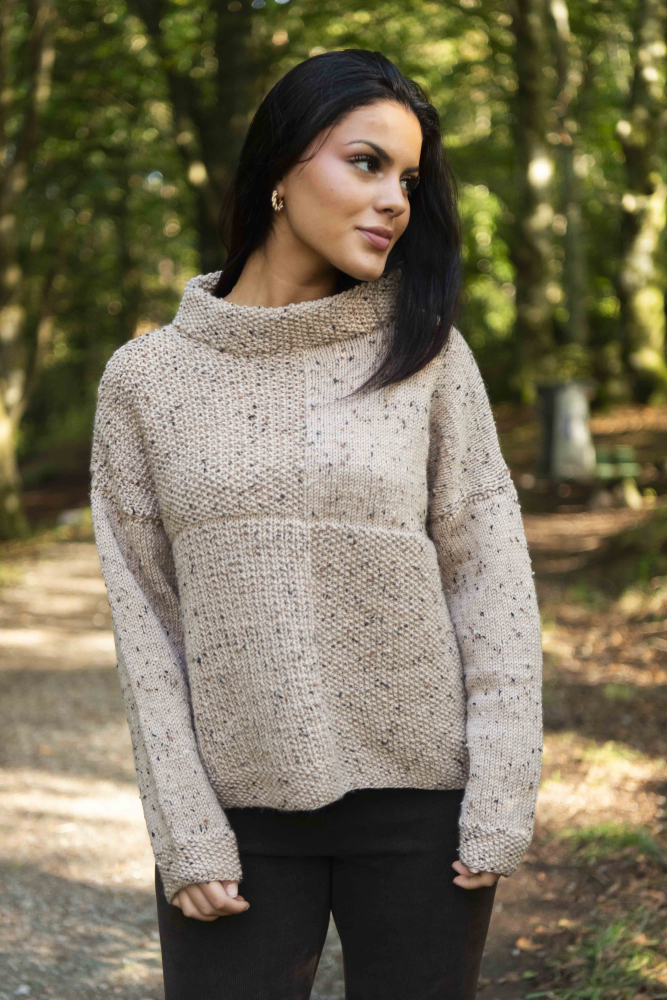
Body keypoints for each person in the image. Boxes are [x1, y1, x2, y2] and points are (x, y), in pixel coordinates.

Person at [89, 48, 543, 1000]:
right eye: (366, 162)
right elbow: (146, 621)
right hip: (237, 817)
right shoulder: (147, 380)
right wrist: (183, 826)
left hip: (424, 813)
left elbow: (488, 581)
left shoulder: (428, 356)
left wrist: (500, 793)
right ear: (279, 170)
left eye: (407, 179)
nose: (393, 200)